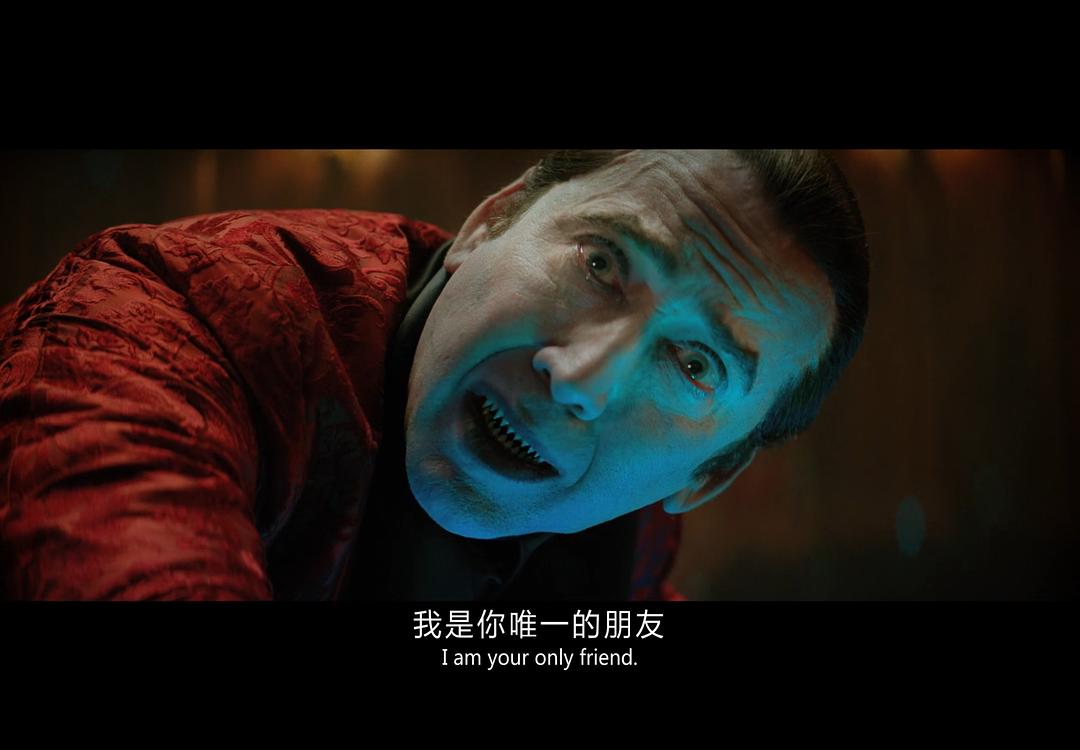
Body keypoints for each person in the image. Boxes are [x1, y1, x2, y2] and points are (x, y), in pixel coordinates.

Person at [0, 149, 869, 600]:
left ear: (706, 475)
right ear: (492, 221)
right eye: (601, 264)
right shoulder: (166, 321)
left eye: (693, 363)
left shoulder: (623, 535)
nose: (580, 379)